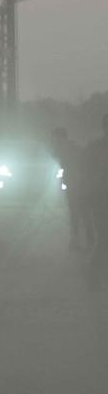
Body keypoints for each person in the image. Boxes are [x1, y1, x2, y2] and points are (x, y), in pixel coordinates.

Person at [51, 128, 92, 251]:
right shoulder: (71, 147)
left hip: (76, 184)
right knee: (80, 213)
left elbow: (56, 156)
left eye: (56, 138)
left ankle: (80, 240)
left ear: (60, 138)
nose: (54, 141)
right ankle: (87, 239)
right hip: (76, 184)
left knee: (77, 213)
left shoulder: (67, 149)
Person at [86, 115, 108, 293]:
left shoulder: (94, 148)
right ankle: (94, 274)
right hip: (100, 198)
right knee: (104, 238)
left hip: (98, 198)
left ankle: (95, 275)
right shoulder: (95, 149)